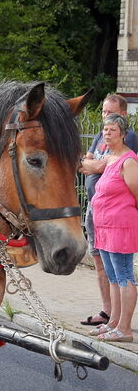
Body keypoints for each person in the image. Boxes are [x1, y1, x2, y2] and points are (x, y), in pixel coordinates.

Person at [79, 94, 138, 327]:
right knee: (109, 271)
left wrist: (97, 165)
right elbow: (85, 164)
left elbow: (134, 189)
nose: (106, 130)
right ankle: (111, 319)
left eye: (112, 127)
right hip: (100, 218)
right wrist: (97, 165)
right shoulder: (107, 149)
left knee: (123, 274)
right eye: (105, 125)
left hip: (120, 221)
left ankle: (123, 326)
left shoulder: (129, 151)